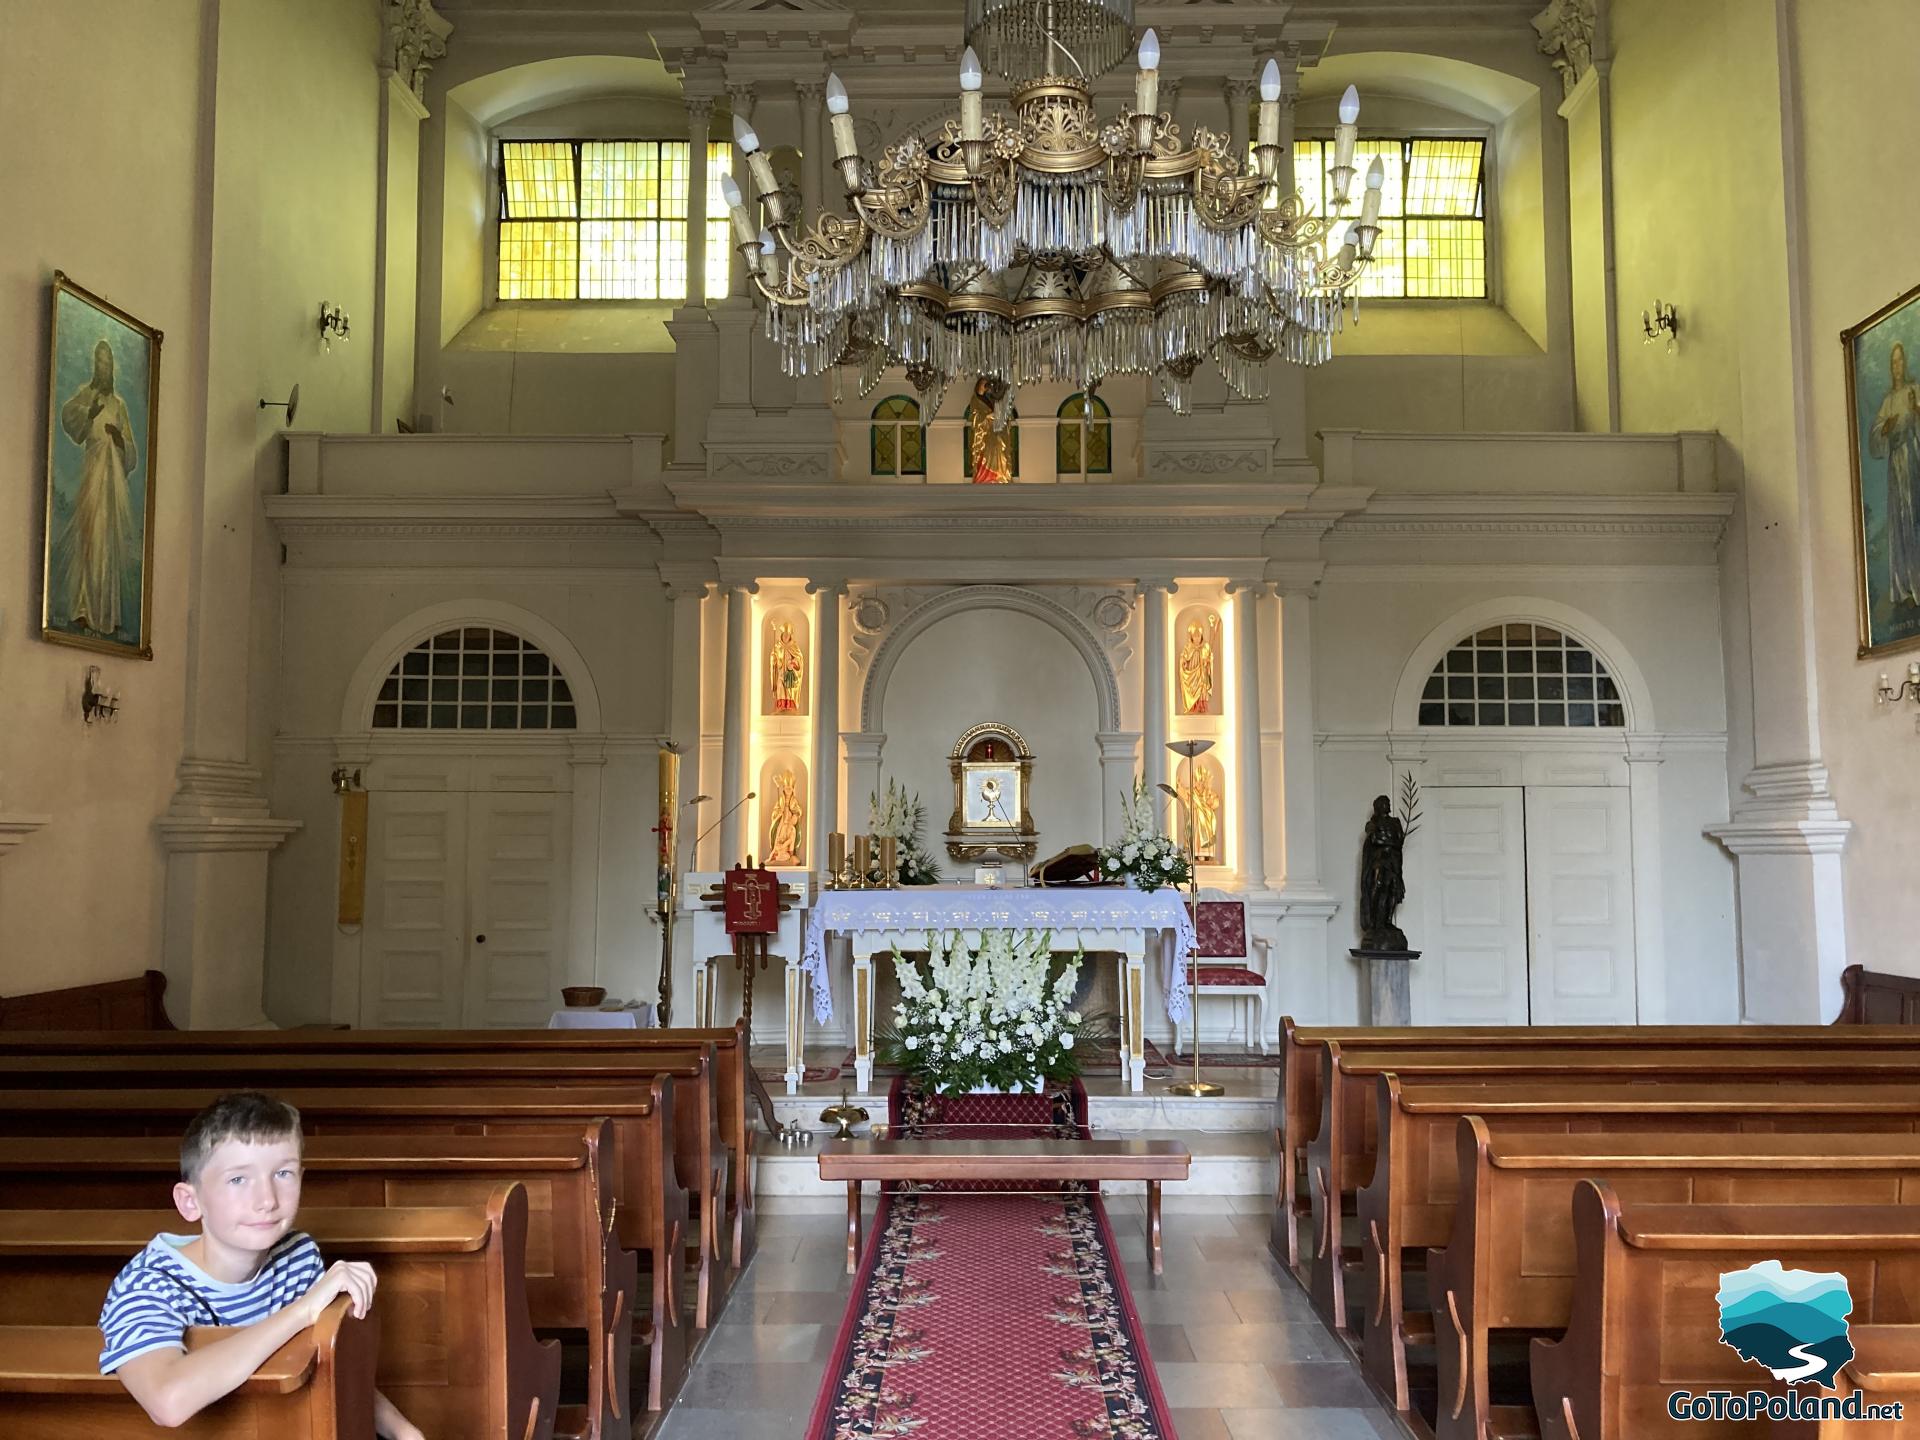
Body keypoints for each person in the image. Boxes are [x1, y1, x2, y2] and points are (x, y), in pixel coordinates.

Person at [97, 1091, 424, 1438]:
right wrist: (303, 1311)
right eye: (238, 1179)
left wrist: (406, 1434)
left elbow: (331, 1374)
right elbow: (168, 1402)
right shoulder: (149, 1285)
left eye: (283, 1173)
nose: (267, 1200)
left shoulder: (297, 1256)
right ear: (190, 1202)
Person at [56, 337, 139, 637]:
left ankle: (105, 613)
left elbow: (131, 453)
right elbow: (70, 420)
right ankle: (81, 609)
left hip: (111, 483)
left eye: (108, 362)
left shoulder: (119, 405)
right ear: (95, 365)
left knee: (107, 543)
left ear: (112, 368)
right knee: (89, 540)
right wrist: (88, 414)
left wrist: (118, 437)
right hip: (92, 477)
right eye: (100, 361)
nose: (104, 367)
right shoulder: (85, 394)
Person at [1868, 341, 1920, 613]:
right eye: (1893, 362)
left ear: (1906, 362)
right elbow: (1875, 438)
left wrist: (1916, 411)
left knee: (1913, 518)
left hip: (1913, 460)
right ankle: (1901, 587)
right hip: (1895, 465)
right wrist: (1884, 429)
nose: (1896, 366)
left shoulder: (1914, 392)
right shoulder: (1888, 401)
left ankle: (1917, 582)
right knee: (1898, 522)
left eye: (1900, 360)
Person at [1359, 794, 1408, 951]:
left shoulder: (1395, 822)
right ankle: (1376, 923)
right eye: (1384, 803)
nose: (1388, 805)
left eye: (1388, 803)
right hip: (1379, 860)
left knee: (1393, 890)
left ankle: (1387, 921)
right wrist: (1388, 840)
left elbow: (1399, 841)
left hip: (1393, 861)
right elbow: (1374, 840)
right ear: (1378, 807)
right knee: (1377, 888)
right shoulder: (1372, 823)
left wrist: (1385, 838)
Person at [1177, 615, 1216, 714]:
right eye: (1194, 636)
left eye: (1198, 636)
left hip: (1202, 673)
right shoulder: (1188, 647)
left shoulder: (1205, 647)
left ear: (1201, 636)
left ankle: (1201, 706)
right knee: (1193, 688)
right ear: (1191, 637)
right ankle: (1193, 707)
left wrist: (1208, 661)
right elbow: (1183, 657)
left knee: (1202, 688)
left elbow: (1209, 654)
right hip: (1192, 673)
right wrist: (1184, 662)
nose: (1197, 638)